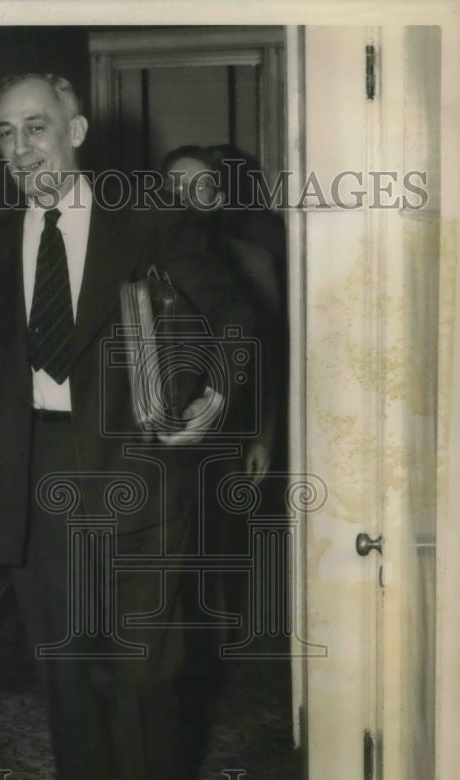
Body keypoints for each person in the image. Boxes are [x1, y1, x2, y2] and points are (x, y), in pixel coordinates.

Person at [0, 75, 254, 780]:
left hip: (142, 474)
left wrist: (215, 396)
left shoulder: (148, 220)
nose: (21, 147)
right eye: (5, 134)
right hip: (35, 482)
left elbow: (235, 325)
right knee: (69, 677)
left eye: (36, 127)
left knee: (144, 673)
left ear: (75, 129)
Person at [161, 144, 288, 658]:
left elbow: (271, 355)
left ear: (218, 197)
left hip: (230, 429)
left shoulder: (250, 258)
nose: (187, 199)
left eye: (200, 187)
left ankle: (218, 650)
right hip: (162, 435)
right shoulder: (139, 257)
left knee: (222, 541)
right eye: (174, 188)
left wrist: (263, 436)